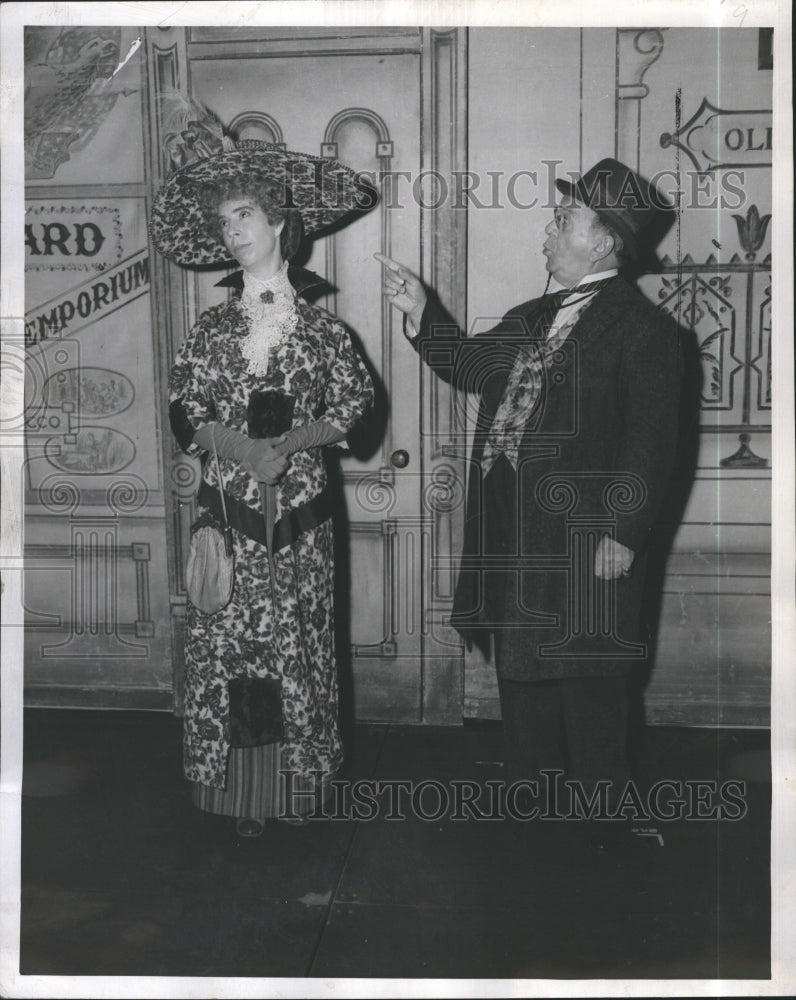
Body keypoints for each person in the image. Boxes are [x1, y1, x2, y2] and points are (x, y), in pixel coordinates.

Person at [377, 158, 681, 846]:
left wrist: (624, 534)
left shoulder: (647, 333)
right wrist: (420, 310)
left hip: (586, 539)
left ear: (604, 241)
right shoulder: (531, 315)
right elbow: (468, 364)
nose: (548, 230)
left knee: (592, 679)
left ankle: (609, 822)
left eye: (565, 218)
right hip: (513, 531)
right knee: (525, 671)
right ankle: (530, 802)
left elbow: (652, 447)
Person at [150, 98, 375, 837]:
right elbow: (184, 415)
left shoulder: (324, 330)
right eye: (224, 222)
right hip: (231, 521)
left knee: (298, 647)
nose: (232, 231)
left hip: (304, 525)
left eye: (243, 214)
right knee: (233, 650)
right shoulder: (210, 329)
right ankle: (242, 800)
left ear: (279, 223)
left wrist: (299, 438)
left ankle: (299, 790)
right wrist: (243, 450)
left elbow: (357, 409)